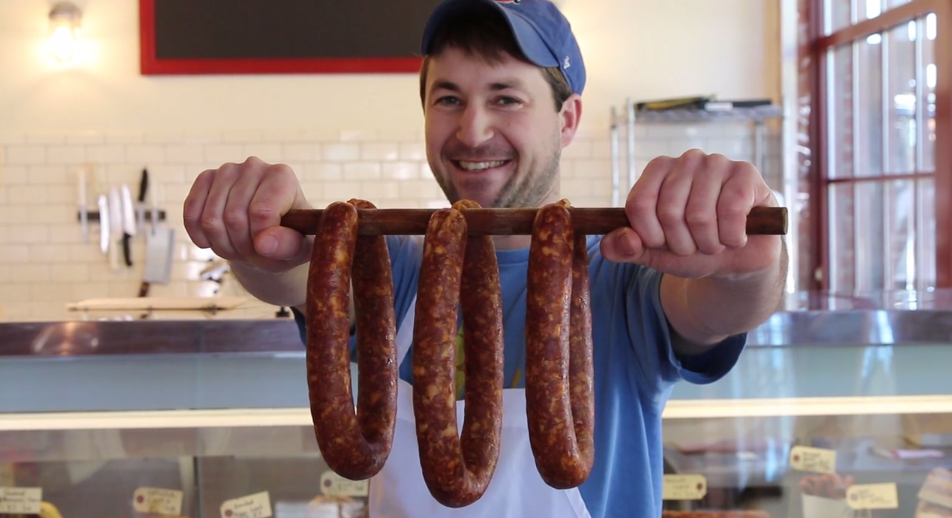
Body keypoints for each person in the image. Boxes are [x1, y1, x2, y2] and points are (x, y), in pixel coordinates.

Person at [183, 0, 787, 516]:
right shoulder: (389, 266)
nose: (472, 131)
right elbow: (292, 271)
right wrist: (259, 228)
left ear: (567, 118)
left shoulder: (627, 272)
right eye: (448, 98)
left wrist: (750, 264)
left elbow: (723, 304)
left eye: (505, 98)